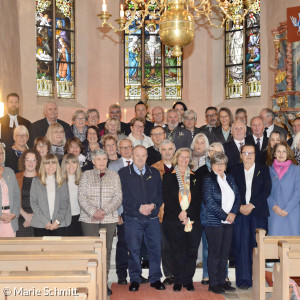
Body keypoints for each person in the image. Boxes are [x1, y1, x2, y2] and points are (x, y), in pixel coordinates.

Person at [118, 145, 165, 292]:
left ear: (146, 157)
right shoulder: (123, 173)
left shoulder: (155, 172)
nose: (140, 158)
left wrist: (153, 205)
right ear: (132, 156)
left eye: (143, 155)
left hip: (152, 218)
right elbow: (123, 196)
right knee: (134, 250)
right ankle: (135, 279)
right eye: (137, 155)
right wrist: (138, 207)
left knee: (155, 249)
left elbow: (160, 194)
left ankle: (155, 278)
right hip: (133, 218)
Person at [78, 149, 122, 296]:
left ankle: (103, 282)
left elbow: (118, 197)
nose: (102, 162)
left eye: (104, 159)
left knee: (106, 251)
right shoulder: (86, 175)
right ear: (93, 161)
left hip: (108, 218)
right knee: (91, 251)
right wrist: (93, 212)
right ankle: (91, 282)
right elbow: (81, 197)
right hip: (89, 219)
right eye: (99, 159)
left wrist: (104, 211)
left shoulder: (114, 175)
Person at [231, 144, 271, 290]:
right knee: (241, 246)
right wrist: (240, 206)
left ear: (255, 155)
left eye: (251, 153)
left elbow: (267, 190)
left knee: (257, 247)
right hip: (240, 214)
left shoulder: (263, 169)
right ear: (240, 155)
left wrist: (252, 204)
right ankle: (244, 280)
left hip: (258, 213)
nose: (248, 155)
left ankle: (259, 280)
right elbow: (231, 191)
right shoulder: (234, 170)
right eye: (245, 153)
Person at [162, 148, 202, 292]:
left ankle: (188, 280)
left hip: (193, 219)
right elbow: (167, 198)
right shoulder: (168, 177)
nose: (184, 160)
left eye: (187, 157)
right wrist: (180, 213)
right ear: (176, 158)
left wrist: (188, 214)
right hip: (173, 219)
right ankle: (178, 280)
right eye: (181, 157)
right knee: (177, 251)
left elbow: (198, 199)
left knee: (191, 251)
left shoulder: (196, 177)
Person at [202, 153, 240, 295]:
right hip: (214, 222)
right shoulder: (208, 179)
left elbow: (237, 197)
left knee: (224, 254)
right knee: (214, 253)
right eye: (217, 164)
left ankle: (222, 281)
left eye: (222, 164)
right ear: (212, 165)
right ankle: (214, 283)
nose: (220, 167)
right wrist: (225, 216)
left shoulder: (229, 178)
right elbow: (209, 202)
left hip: (229, 221)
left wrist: (233, 213)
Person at [194, 142, 225, 286]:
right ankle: (207, 274)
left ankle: (222, 275)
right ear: (208, 154)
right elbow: (201, 195)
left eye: (219, 153)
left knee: (222, 248)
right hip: (208, 214)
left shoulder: (227, 171)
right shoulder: (201, 172)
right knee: (208, 247)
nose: (215, 155)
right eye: (213, 152)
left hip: (225, 216)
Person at [151, 139, 176, 286]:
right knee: (165, 245)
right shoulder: (153, 169)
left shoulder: (181, 166)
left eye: (170, 149)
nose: (167, 153)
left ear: (174, 150)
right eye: (164, 150)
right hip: (161, 213)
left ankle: (181, 272)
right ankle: (169, 273)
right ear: (160, 151)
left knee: (178, 244)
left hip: (179, 212)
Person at [30, 154, 71, 237]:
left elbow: (65, 203)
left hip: (59, 224)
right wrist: (45, 221)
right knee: (41, 250)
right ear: (43, 165)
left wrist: (57, 221)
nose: (51, 166)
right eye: (47, 163)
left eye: (53, 163)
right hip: (40, 224)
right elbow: (34, 203)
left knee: (57, 250)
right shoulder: (36, 181)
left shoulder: (62, 182)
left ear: (57, 165)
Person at [267, 142, 300, 236]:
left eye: (284, 151)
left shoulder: (296, 169)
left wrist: (287, 209)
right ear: (274, 154)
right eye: (278, 151)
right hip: (275, 213)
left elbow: (298, 192)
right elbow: (265, 191)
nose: (281, 154)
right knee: (274, 245)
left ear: (288, 153)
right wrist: (273, 206)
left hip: (292, 212)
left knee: (293, 246)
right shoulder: (268, 170)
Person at [16, 149, 41, 237]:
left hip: (39, 216)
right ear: (23, 161)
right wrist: (25, 215)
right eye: (28, 160)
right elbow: (12, 199)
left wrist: (33, 217)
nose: (31, 163)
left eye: (33, 160)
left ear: (37, 162)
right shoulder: (16, 177)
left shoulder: (43, 178)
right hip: (20, 215)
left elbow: (47, 201)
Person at [0, 144, 21, 237]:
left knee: (10, 250)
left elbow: (17, 196)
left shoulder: (10, 172)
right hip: (1, 217)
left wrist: (14, 214)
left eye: (1, 153)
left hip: (10, 219)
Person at [61, 154, 82, 236]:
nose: (71, 165)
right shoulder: (59, 181)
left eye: (73, 162)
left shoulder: (83, 179)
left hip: (80, 217)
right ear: (64, 165)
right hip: (64, 218)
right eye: (67, 163)